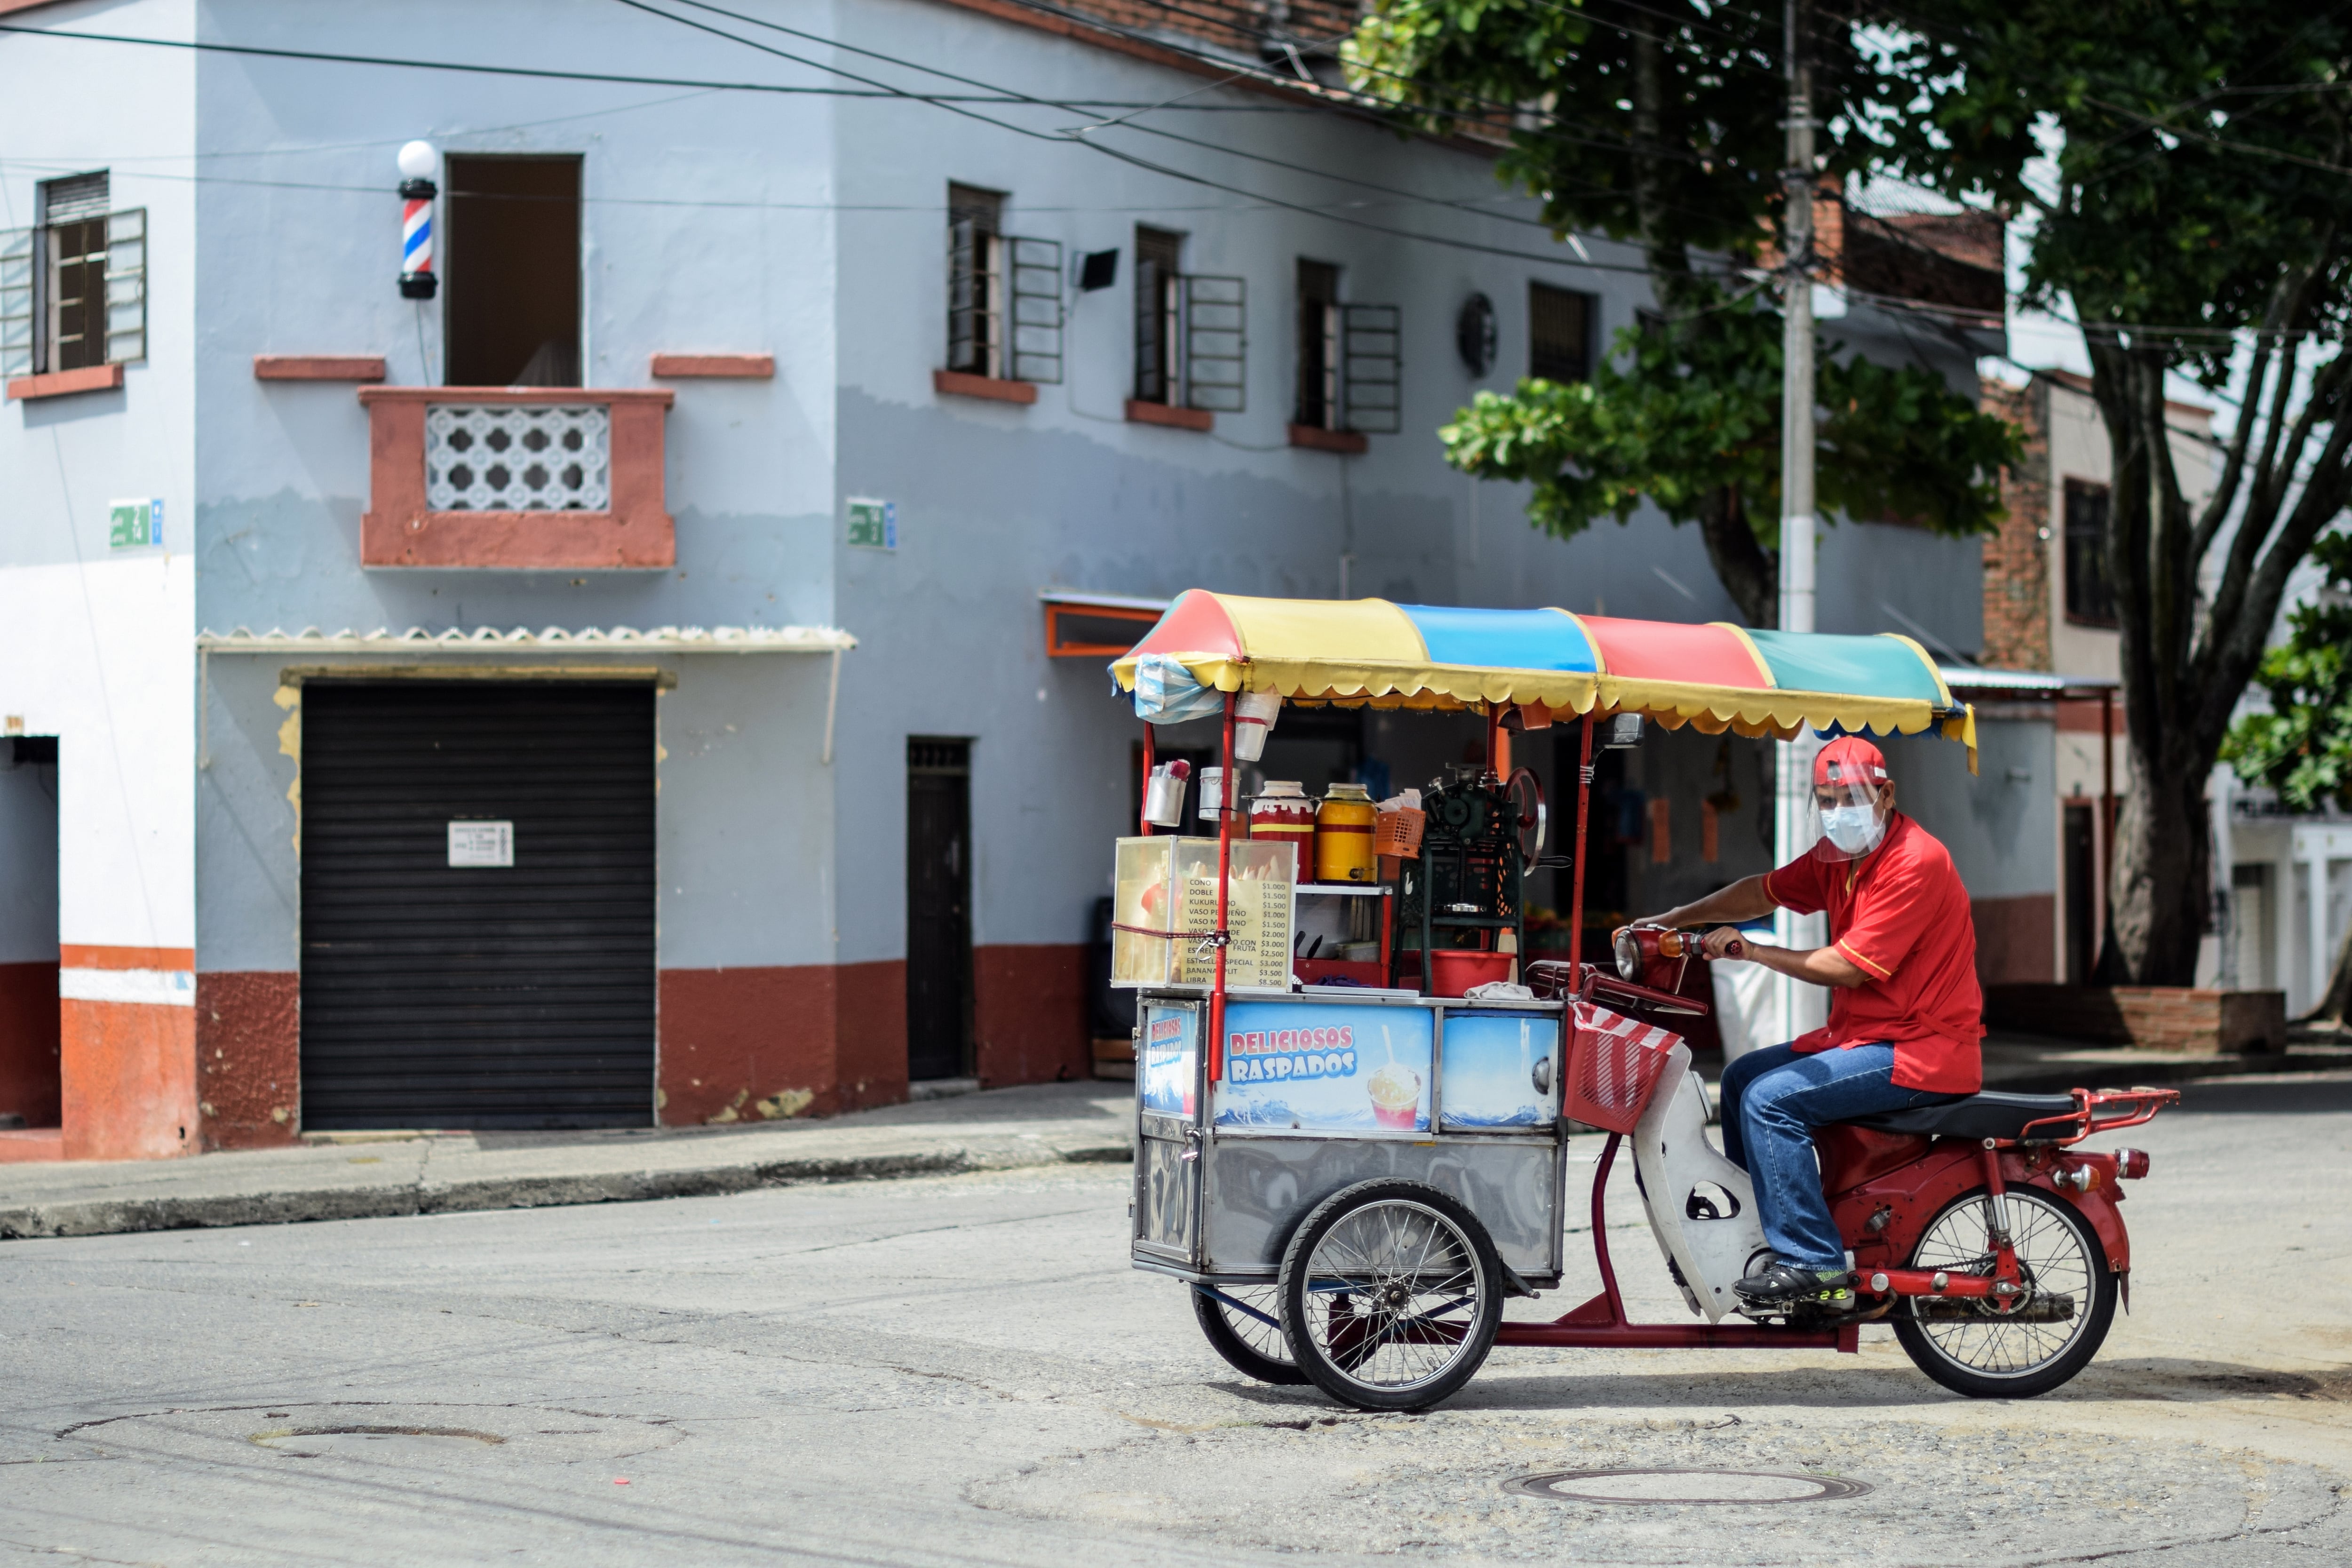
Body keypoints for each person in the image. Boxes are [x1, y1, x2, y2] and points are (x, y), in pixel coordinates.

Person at [1636, 735, 1982, 1312]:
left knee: (1770, 1101)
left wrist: (1752, 953)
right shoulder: (1838, 858)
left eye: (1848, 797)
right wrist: (1673, 918)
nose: (1836, 812)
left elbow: (1845, 968)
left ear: (1886, 794)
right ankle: (1760, 1237)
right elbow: (1761, 891)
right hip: (1864, 1037)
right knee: (1745, 1076)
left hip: (1920, 1048)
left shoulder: (1913, 860)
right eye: (1825, 800)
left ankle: (1813, 1265)